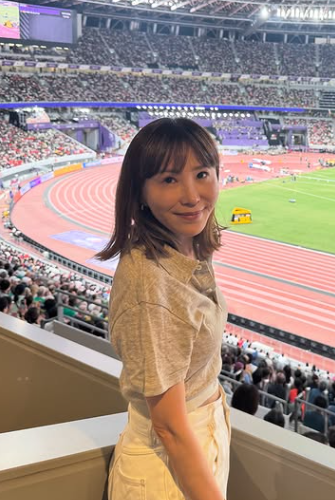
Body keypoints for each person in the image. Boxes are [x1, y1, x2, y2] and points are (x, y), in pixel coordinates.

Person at [98, 118, 230, 500]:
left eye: (201, 174)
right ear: (140, 191)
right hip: (166, 468)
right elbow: (169, 427)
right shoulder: (149, 281)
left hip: (197, 443)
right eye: (169, 179)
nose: (191, 195)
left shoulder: (186, 245)